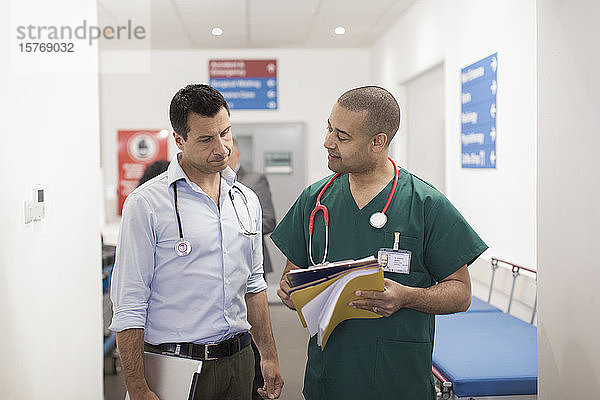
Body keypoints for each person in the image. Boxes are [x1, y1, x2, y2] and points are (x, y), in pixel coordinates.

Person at [271, 86, 487, 400]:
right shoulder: (315, 200)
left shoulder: (425, 203)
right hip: (329, 377)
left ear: (378, 142)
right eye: (329, 128)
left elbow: (461, 293)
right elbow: (292, 277)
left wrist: (407, 296)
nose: (328, 142)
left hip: (398, 379)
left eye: (342, 136)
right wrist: (291, 292)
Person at [110, 84, 284, 400]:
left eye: (226, 133)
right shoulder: (147, 204)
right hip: (176, 365)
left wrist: (268, 356)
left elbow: (254, 287)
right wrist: (137, 387)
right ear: (179, 139)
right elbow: (129, 304)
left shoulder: (246, 200)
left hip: (240, 361)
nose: (221, 148)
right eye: (206, 139)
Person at [227, 138, 277, 400]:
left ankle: (257, 379)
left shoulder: (254, 180)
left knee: (253, 324)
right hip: (222, 270)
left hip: (250, 265)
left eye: (227, 148)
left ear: (237, 152)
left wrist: (232, 230)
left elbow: (268, 220)